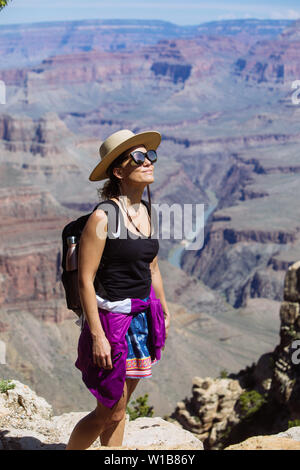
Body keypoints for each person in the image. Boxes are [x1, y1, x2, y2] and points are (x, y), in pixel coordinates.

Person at [66, 129, 170, 450]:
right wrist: (96, 334)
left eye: (149, 155)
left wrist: (163, 311)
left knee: (119, 410)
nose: (148, 161)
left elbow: (151, 267)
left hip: (141, 319)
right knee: (107, 409)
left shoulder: (145, 212)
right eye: (138, 157)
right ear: (118, 170)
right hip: (111, 322)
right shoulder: (102, 217)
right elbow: (85, 279)